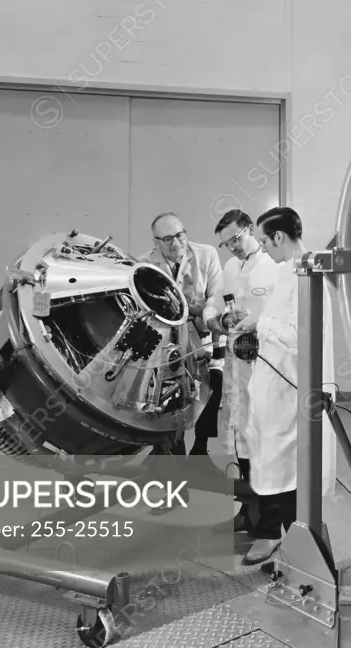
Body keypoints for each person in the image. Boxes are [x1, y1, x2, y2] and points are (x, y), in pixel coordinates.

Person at [233, 206, 337, 566]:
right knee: (273, 462)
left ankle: (292, 545)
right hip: (274, 386)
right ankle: (277, 535)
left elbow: (299, 335)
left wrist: (260, 327)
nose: (263, 247)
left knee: (288, 468)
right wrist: (254, 321)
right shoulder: (288, 271)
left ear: (279, 237)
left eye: (265, 240)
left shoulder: (306, 274)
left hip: (290, 390)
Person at [138, 213, 224, 512]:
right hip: (168, 347)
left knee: (212, 390)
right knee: (168, 404)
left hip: (204, 334)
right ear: (156, 242)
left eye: (180, 235)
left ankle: (199, 455)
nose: (176, 244)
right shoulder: (144, 266)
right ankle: (174, 478)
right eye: (167, 239)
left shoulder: (207, 254)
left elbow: (215, 296)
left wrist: (206, 316)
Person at [205, 210, 279, 534]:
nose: (232, 247)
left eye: (235, 239)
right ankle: (249, 514)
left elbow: (288, 322)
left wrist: (257, 326)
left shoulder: (273, 269)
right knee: (240, 442)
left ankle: (270, 529)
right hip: (237, 370)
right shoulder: (231, 269)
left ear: (250, 230)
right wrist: (219, 321)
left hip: (266, 369)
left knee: (265, 446)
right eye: (225, 244)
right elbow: (213, 304)